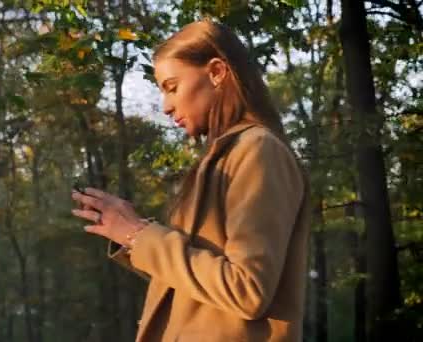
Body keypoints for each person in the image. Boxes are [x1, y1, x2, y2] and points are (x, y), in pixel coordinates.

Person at [71, 19, 310, 342]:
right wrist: (130, 236)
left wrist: (139, 235)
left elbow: (247, 290)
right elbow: (195, 284)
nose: (166, 107)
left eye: (172, 87)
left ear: (216, 72)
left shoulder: (258, 151)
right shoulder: (222, 158)